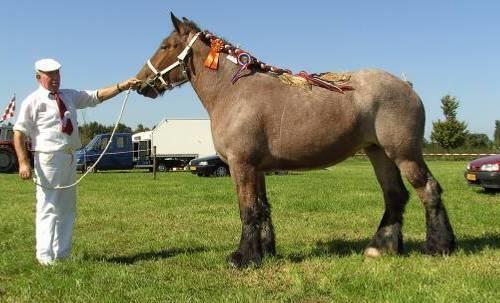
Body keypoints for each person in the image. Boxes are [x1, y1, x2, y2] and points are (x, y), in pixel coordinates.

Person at [13, 58, 141, 265]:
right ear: (39, 77)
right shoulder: (32, 101)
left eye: (57, 74)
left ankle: (62, 254)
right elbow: (18, 133)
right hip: (48, 158)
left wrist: (122, 86)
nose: (55, 79)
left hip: (70, 156)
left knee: (67, 208)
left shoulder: (69, 96)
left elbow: (96, 96)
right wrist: (23, 162)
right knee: (48, 206)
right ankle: (45, 257)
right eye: (50, 75)